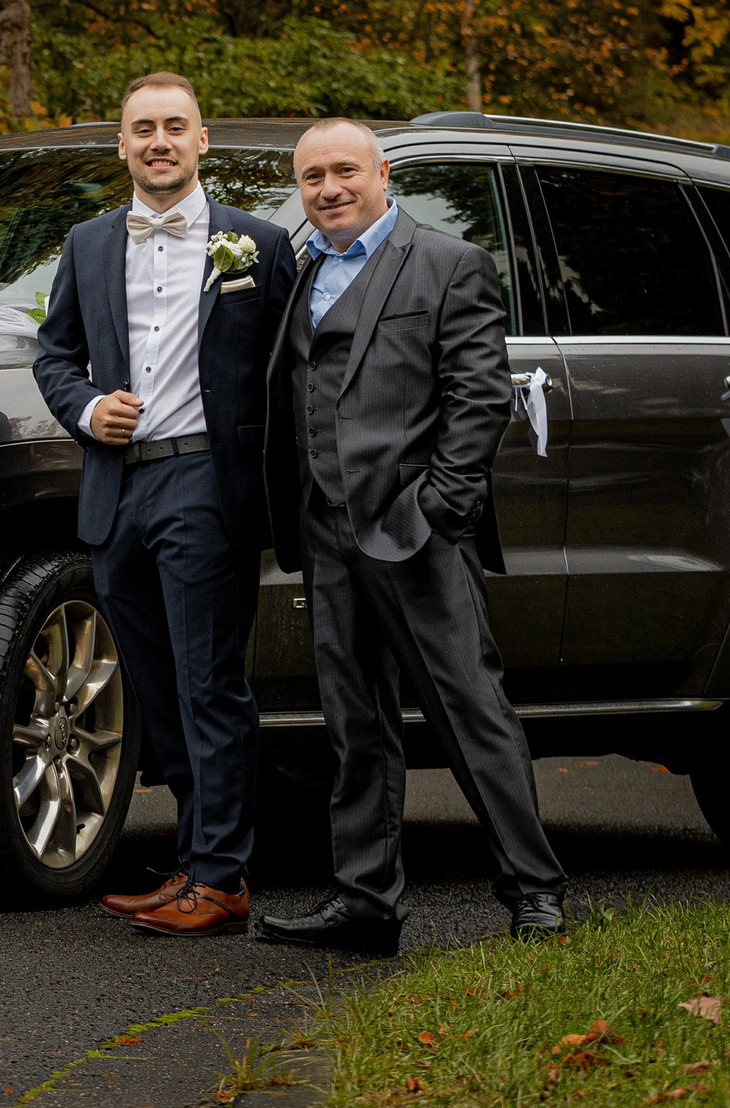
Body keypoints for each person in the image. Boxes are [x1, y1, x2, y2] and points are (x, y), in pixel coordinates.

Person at [256, 118, 565, 956]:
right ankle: (366, 901)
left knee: (472, 714)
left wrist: (440, 510)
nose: (329, 188)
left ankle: (534, 890)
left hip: (417, 534)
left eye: (345, 170)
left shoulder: (447, 262)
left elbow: (479, 394)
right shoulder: (305, 270)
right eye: (313, 176)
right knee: (355, 727)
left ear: (382, 172)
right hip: (327, 535)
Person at [32, 73, 295, 936]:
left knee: (208, 683)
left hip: (205, 485)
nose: (159, 141)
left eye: (174, 127)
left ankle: (221, 877)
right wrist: (84, 406)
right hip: (118, 487)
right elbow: (55, 355)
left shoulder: (255, 244)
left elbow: (293, 371)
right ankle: (195, 858)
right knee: (152, 684)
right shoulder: (90, 242)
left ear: (202, 140)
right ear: (120, 144)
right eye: (142, 128)